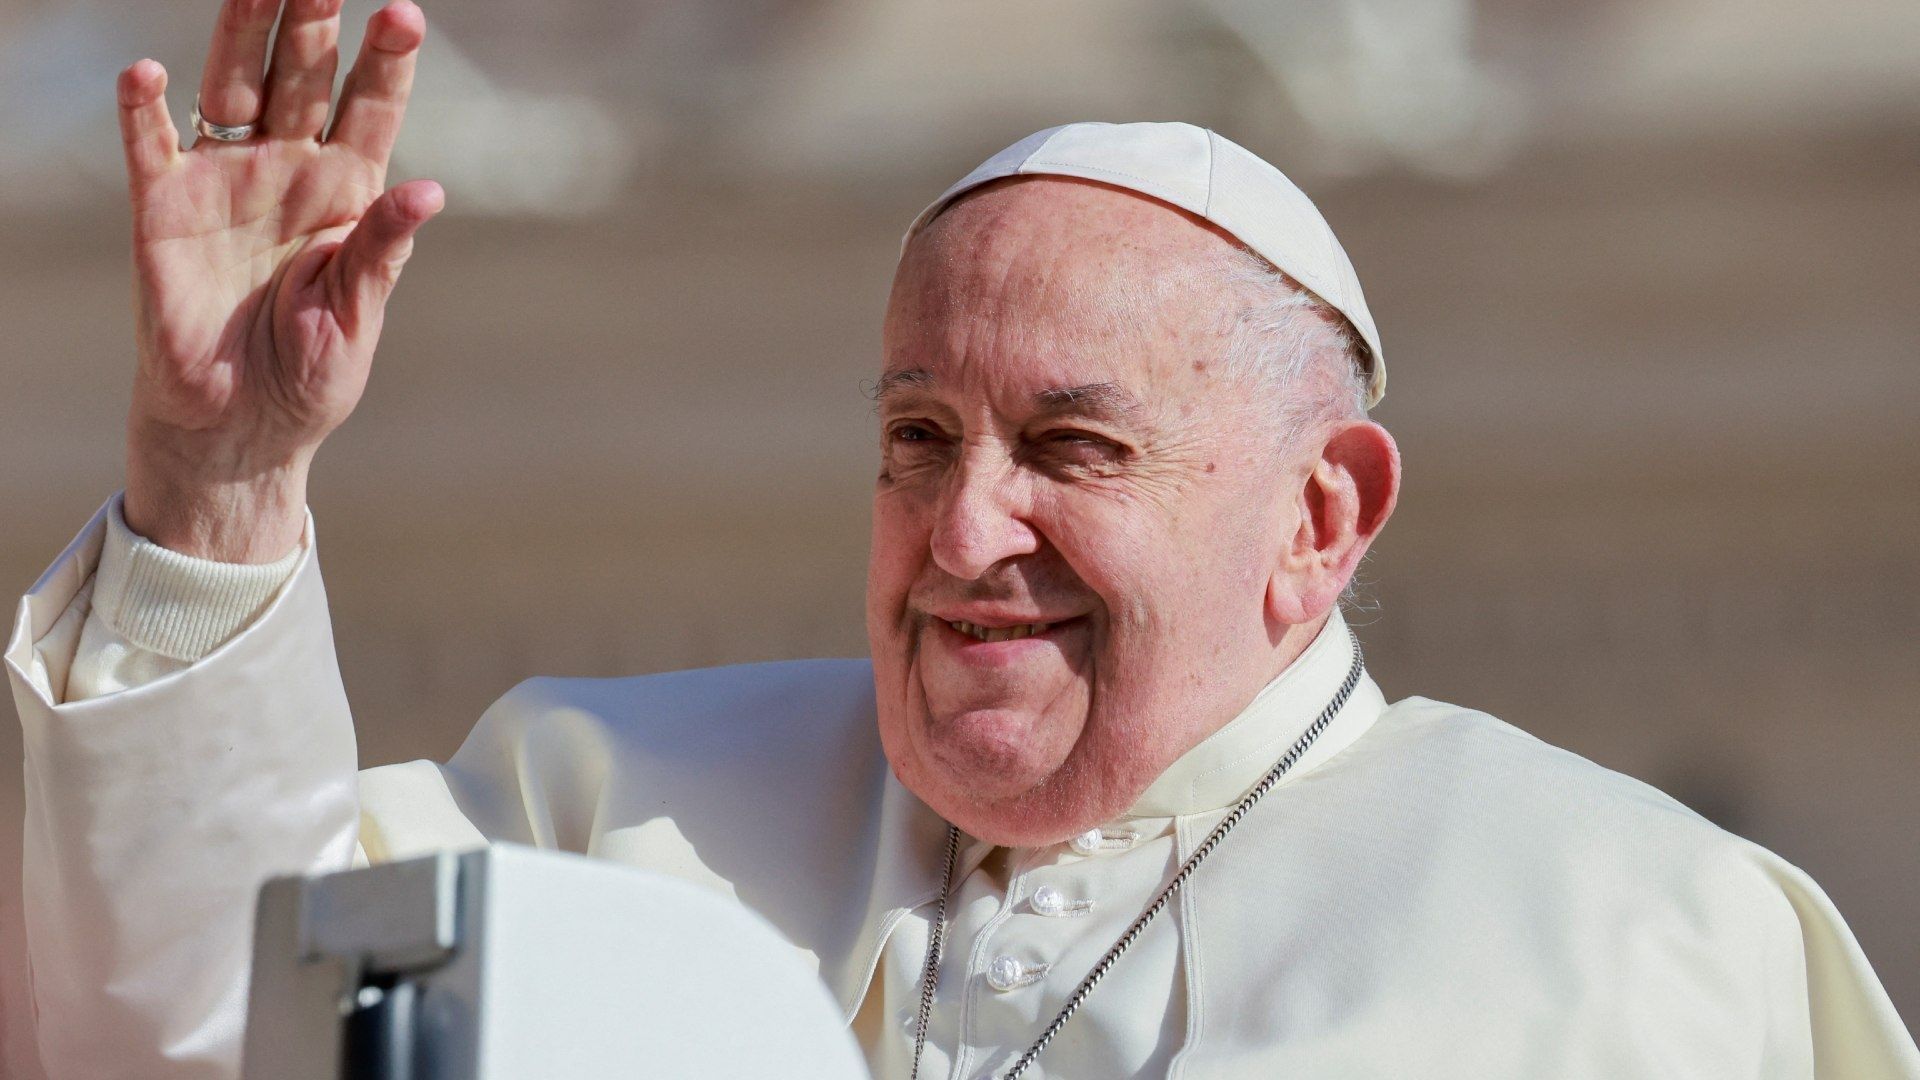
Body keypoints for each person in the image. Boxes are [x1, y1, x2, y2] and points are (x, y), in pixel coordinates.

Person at [5, 2, 1916, 1078]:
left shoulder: (1629, 945)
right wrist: (224, 485)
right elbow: (177, 1033)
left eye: (1071, 447)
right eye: (919, 437)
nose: (963, 527)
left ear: (1319, 516)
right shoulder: (597, 808)